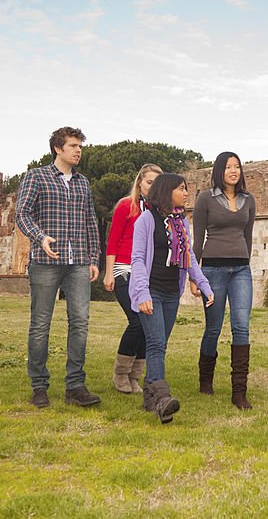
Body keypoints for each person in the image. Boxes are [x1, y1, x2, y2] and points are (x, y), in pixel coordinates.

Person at [15, 126, 102, 408]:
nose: (78, 151)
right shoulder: (36, 177)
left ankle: (75, 385)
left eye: (80, 146)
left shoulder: (83, 183)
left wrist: (93, 258)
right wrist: (40, 238)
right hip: (45, 263)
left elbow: (91, 222)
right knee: (40, 324)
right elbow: (22, 214)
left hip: (78, 262)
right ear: (58, 148)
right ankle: (39, 386)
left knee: (80, 322)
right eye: (73, 146)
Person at [129, 173, 214, 423]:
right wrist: (142, 293)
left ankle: (148, 396)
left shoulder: (181, 223)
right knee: (155, 344)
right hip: (150, 291)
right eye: (181, 188)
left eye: (186, 188)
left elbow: (189, 258)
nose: (186, 193)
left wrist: (204, 285)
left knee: (159, 345)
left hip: (170, 294)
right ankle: (162, 400)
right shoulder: (146, 220)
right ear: (166, 191)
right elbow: (137, 260)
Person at [192, 151, 257, 409]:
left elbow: (248, 236)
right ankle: (205, 380)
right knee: (214, 328)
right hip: (213, 270)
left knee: (241, 326)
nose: (233, 171)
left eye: (237, 167)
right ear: (219, 171)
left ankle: (238, 392)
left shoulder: (249, 199)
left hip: (241, 270)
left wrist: (246, 261)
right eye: (228, 167)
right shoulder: (205, 199)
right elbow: (197, 241)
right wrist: (194, 277)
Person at [104, 163, 162, 395]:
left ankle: (135, 376)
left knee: (148, 326)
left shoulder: (158, 210)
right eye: (149, 182)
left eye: (157, 184)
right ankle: (120, 373)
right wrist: (109, 273)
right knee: (137, 321)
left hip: (147, 274)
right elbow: (113, 240)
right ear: (140, 182)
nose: (152, 187)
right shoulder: (126, 206)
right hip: (123, 269)